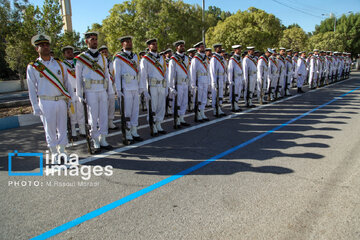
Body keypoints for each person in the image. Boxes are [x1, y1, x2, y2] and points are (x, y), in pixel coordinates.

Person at [27, 34, 73, 158]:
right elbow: (31, 88)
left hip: (61, 100)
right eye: (42, 45)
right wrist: (35, 106)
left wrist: (70, 99)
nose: (45, 47)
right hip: (46, 101)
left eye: (47, 44)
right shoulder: (33, 67)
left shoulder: (59, 64)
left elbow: (66, 83)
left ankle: (62, 150)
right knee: (50, 128)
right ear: (37, 49)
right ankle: (54, 152)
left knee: (63, 127)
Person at [75, 31, 114, 152]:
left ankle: (103, 139)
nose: (95, 41)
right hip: (90, 90)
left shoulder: (102, 57)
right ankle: (95, 140)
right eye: (92, 39)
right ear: (86, 41)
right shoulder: (81, 58)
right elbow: (78, 78)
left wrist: (110, 91)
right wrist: (79, 94)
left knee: (103, 115)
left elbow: (107, 75)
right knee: (93, 116)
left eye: (96, 39)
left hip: (102, 89)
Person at [113, 36, 143, 142]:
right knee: (127, 112)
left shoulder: (135, 56)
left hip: (135, 86)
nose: (129, 43)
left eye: (130, 42)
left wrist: (141, 86)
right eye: (127, 42)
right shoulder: (118, 58)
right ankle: (128, 131)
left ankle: (134, 131)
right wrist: (118, 90)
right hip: (125, 88)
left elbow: (139, 72)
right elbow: (116, 75)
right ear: (123, 44)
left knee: (135, 110)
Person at [140, 38, 168, 135]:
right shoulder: (145, 59)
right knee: (153, 107)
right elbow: (143, 76)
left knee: (161, 107)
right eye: (153, 44)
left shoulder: (161, 58)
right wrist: (144, 90)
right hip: (152, 86)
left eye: (156, 44)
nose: (155, 45)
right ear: (149, 46)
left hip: (161, 85)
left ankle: (159, 124)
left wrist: (166, 86)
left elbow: (165, 73)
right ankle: (153, 125)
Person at [62, 45, 86, 140]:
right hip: (70, 92)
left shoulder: (78, 62)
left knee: (81, 111)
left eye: (71, 51)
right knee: (72, 113)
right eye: (67, 52)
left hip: (79, 90)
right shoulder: (62, 65)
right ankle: (73, 132)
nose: (70, 53)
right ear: (64, 54)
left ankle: (82, 130)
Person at [168, 40, 191, 127]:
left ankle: (182, 118)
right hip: (178, 84)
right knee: (177, 103)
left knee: (184, 102)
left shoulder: (186, 58)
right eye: (181, 46)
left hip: (185, 83)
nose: (183, 47)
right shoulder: (173, 59)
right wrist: (171, 87)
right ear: (177, 47)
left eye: (183, 45)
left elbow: (188, 72)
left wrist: (190, 84)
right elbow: (170, 74)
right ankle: (176, 119)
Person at [99, 45, 118, 130]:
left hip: (111, 85)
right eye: (102, 52)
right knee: (103, 105)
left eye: (105, 51)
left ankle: (110, 121)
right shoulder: (98, 62)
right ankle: (104, 123)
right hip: (102, 85)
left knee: (111, 103)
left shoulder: (111, 62)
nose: (104, 53)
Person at [190, 41, 210, 121]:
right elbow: (193, 72)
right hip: (199, 80)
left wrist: (209, 81)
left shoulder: (206, 58)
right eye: (201, 46)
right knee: (198, 98)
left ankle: (202, 112)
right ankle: (198, 114)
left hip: (205, 79)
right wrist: (193, 84)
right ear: (197, 48)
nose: (203, 48)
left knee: (204, 98)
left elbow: (208, 70)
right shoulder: (195, 59)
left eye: (203, 46)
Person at [209, 43, 226, 116]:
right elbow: (212, 71)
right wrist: (213, 81)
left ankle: (219, 108)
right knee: (215, 95)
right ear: (215, 49)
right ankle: (215, 109)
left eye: (221, 47)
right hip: (216, 78)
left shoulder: (221, 58)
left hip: (221, 78)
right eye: (219, 48)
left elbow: (224, 69)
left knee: (220, 94)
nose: (221, 49)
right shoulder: (214, 58)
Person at [228, 45, 243, 111]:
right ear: (235, 50)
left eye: (240, 49)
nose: (240, 50)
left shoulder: (240, 58)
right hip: (235, 78)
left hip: (239, 77)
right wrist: (230, 80)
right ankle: (233, 105)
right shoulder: (232, 59)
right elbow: (230, 70)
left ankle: (236, 104)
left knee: (238, 92)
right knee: (234, 92)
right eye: (238, 49)